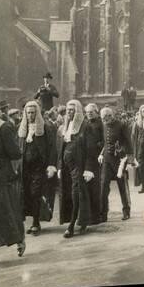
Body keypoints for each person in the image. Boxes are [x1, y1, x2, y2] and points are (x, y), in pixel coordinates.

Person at [18, 101, 57, 236]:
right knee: (28, 194)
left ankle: (36, 222)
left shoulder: (46, 128)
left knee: (36, 193)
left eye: (33, 112)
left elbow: (52, 148)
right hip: (25, 167)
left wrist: (51, 165)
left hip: (39, 167)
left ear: (37, 113)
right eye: (28, 112)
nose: (30, 115)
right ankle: (33, 221)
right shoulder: (21, 128)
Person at [57, 100, 95, 238]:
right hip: (67, 166)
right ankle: (77, 220)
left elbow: (91, 150)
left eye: (72, 110)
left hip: (78, 166)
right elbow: (61, 148)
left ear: (78, 111)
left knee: (76, 193)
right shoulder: (64, 126)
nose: (69, 112)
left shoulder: (86, 127)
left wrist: (89, 168)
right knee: (68, 194)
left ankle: (72, 225)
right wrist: (60, 166)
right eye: (67, 110)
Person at [0, 109, 25, 257]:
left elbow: (15, 153)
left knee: (8, 208)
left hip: (2, 177)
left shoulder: (3, 128)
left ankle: (19, 240)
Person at [99, 107, 133, 222]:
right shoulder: (103, 125)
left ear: (110, 116)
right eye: (102, 118)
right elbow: (105, 142)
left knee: (122, 186)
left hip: (119, 160)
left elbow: (128, 142)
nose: (104, 120)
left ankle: (126, 211)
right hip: (106, 161)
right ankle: (103, 213)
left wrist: (125, 154)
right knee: (103, 186)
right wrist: (101, 154)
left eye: (105, 117)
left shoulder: (121, 125)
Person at [84, 103, 104, 225]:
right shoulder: (85, 124)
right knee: (88, 187)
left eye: (91, 112)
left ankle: (97, 215)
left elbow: (105, 139)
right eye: (87, 112)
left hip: (97, 159)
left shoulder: (100, 124)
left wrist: (100, 148)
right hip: (87, 159)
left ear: (96, 112)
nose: (89, 114)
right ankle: (90, 214)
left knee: (96, 187)